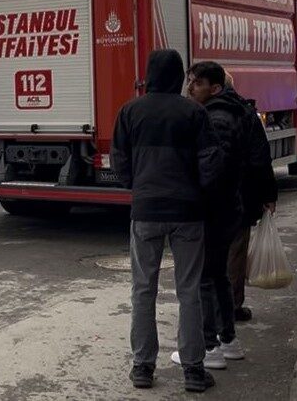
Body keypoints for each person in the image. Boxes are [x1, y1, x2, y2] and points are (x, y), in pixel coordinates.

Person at [111, 49, 222, 393]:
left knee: (143, 289)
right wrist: (198, 191)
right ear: (178, 78)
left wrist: (138, 185)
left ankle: (143, 367)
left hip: (145, 211)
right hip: (188, 213)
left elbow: (118, 160)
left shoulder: (130, 111)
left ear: (148, 75)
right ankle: (192, 370)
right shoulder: (194, 112)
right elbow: (211, 160)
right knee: (189, 291)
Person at [172, 61, 247, 370]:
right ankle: (228, 340)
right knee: (217, 276)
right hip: (227, 209)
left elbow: (214, 170)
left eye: (197, 83)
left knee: (204, 278)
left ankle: (209, 345)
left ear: (214, 88)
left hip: (215, 212)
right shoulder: (229, 112)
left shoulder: (215, 119)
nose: (190, 87)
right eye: (189, 80)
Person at [222, 72, 277, 323]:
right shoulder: (246, 114)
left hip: (206, 200)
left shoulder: (197, 112)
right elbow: (260, 158)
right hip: (240, 197)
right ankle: (232, 306)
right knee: (235, 253)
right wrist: (268, 195)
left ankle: (209, 308)